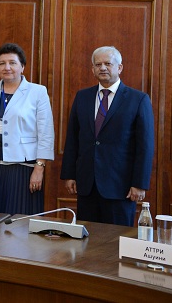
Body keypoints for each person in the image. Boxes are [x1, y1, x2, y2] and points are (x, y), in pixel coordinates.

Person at [60, 46, 154, 226]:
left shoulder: (138, 99)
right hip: (87, 184)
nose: (102, 68)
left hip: (120, 186)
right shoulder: (82, 97)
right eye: (98, 64)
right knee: (87, 236)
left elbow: (145, 146)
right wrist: (69, 174)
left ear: (119, 68)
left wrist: (140, 183)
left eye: (108, 64)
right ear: (93, 69)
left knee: (116, 238)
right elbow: (72, 138)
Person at [0, 43, 54, 215]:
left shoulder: (37, 92)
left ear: (23, 67)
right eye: (2, 63)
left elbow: (46, 133)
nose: (7, 67)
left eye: (12, 63)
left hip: (22, 169)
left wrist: (39, 168)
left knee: (17, 222)